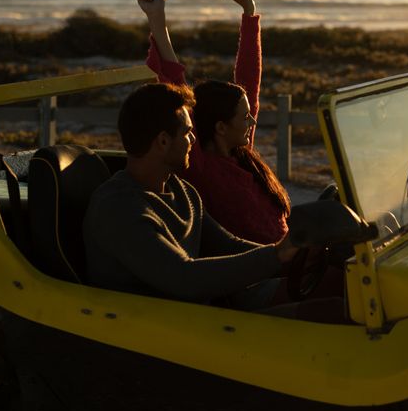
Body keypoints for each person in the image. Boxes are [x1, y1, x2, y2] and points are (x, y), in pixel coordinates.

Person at [82, 81, 298, 308]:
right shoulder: (119, 209)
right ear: (163, 141)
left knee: (332, 290)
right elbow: (184, 277)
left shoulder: (182, 190)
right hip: (157, 328)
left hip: (209, 311)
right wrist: (277, 256)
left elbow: (230, 245)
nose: (194, 140)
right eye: (187, 133)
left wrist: (294, 254)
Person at [137, 0, 290, 244]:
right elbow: (174, 83)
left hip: (293, 257)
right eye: (244, 117)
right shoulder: (198, 165)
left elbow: (249, 81)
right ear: (220, 127)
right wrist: (156, 18)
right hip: (265, 273)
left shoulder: (242, 155)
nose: (252, 120)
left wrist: (249, 11)